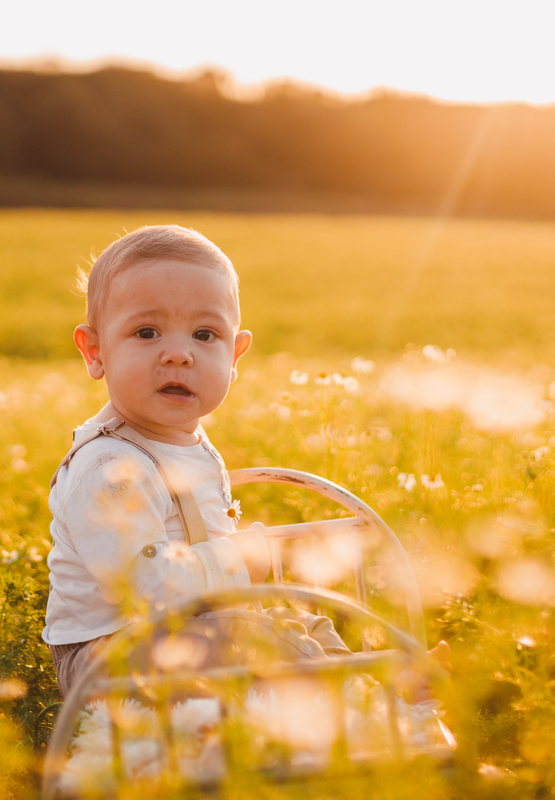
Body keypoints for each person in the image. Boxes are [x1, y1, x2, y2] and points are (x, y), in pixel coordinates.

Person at [42, 225, 347, 697]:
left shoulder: (186, 443)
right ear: (95, 351)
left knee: (296, 622)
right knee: (256, 638)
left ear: (234, 357)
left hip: (181, 631)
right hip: (111, 657)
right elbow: (145, 587)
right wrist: (238, 561)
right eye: (147, 332)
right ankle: (354, 707)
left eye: (205, 335)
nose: (179, 355)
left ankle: (376, 687)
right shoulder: (108, 467)